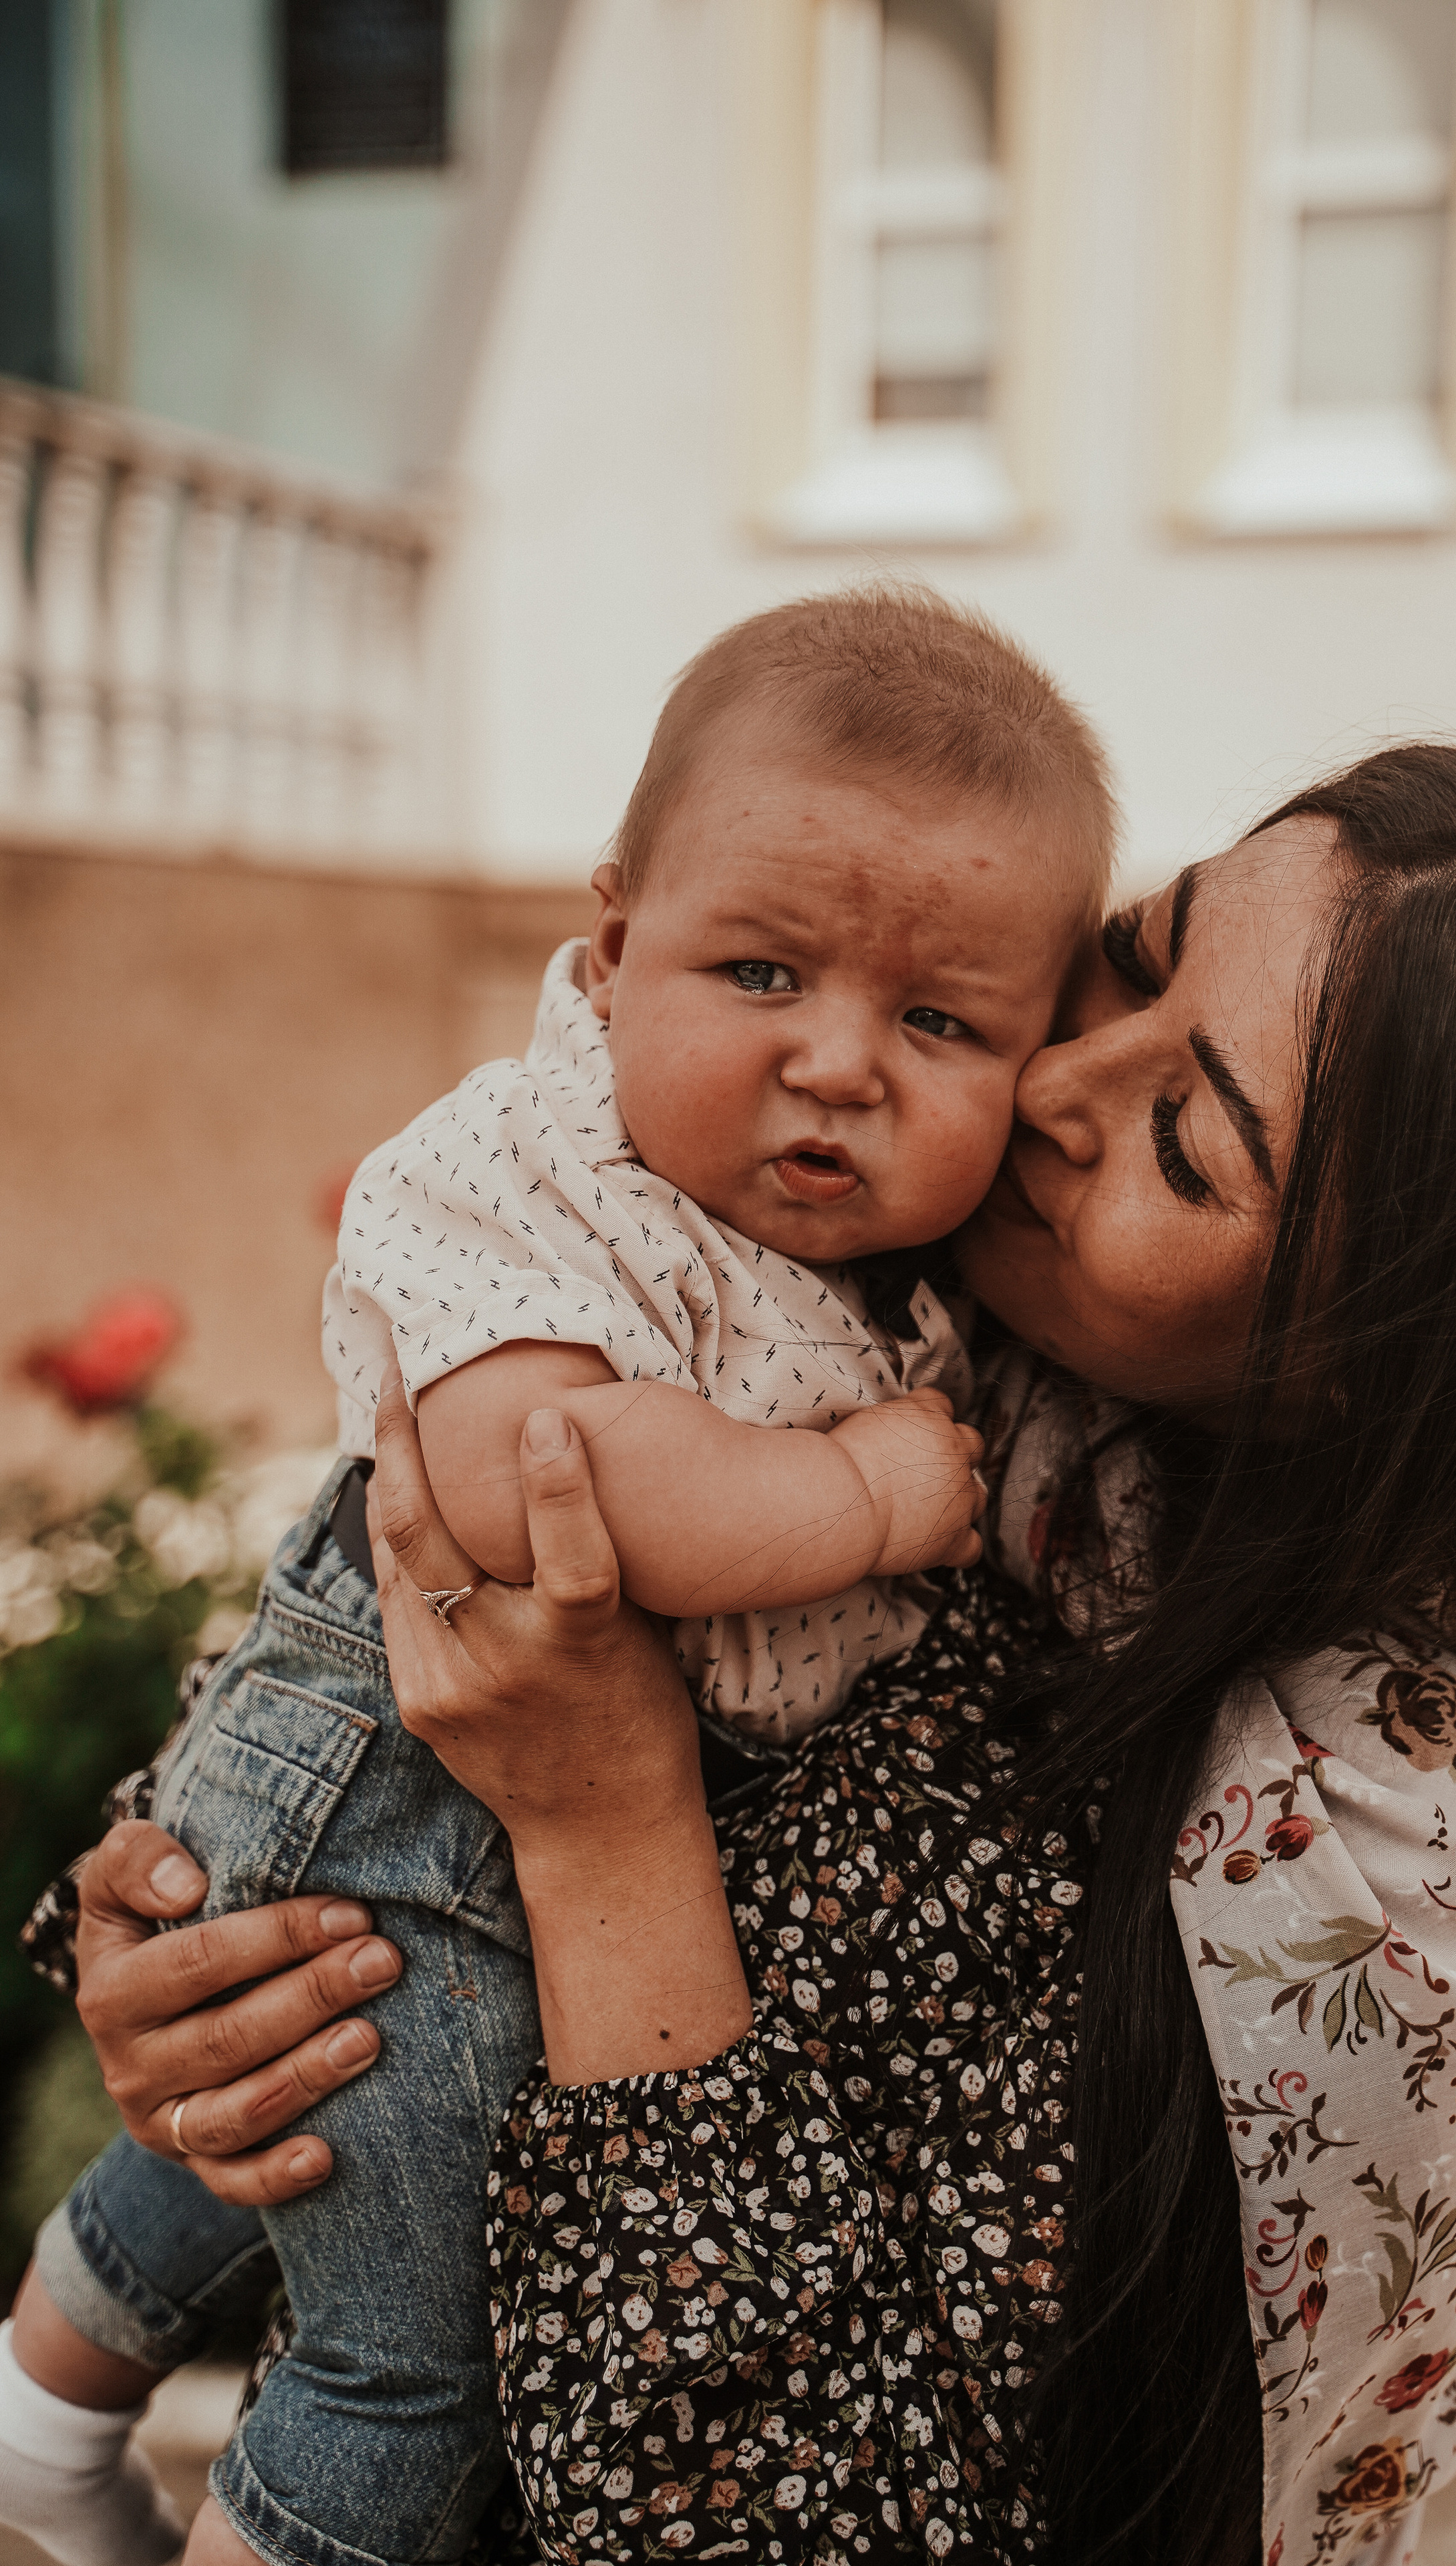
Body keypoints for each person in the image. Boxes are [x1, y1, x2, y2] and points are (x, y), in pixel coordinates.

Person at [25, 743, 1456, 2566]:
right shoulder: (947, 1342)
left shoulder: (1393, 1908)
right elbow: (416, 1568)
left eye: (1187, 1142)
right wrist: (217, 1937)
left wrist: (608, 1840)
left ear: (1374, 1361)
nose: (1049, 1082)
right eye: (1137, 953)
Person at [0, 588, 1119, 2566]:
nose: (842, 1066)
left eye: (941, 1023)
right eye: (761, 970)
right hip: (405, 1815)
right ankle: (80, 2443)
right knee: (403, 2355)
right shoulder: (525, 1164)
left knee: (294, 2139)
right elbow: (551, 1490)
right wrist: (865, 1492)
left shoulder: (899, 1285)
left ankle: (36, 2417)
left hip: (511, 1843)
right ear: (612, 949)